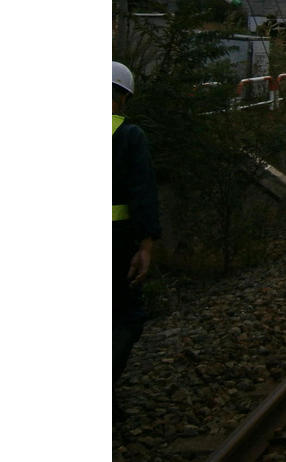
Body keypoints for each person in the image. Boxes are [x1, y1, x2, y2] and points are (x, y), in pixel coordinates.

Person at [112, 61, 161, 423]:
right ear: (124, 98)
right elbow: (142, 192)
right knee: (126, 315)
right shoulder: (129, 136)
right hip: (116, 239)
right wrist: (145, 244)